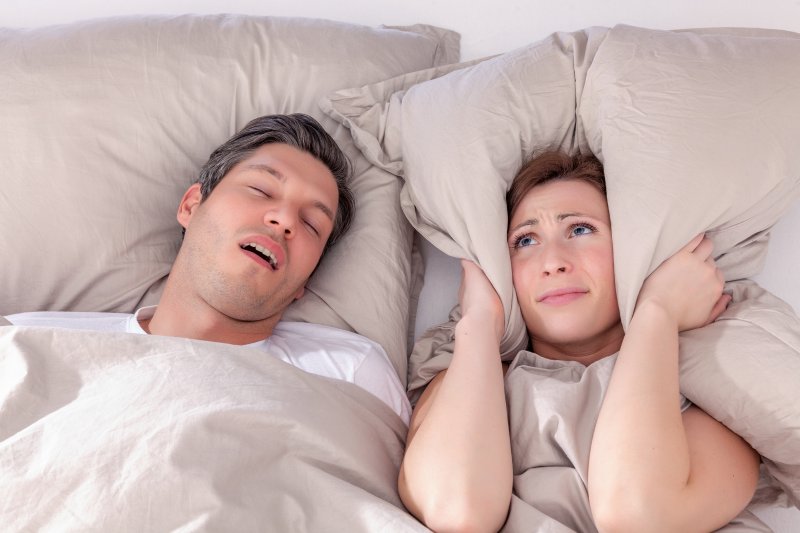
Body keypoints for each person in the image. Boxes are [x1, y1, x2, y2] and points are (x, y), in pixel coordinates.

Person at [398, 151, 760, 531]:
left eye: (580, 229)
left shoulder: (708, 391)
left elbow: (638, 517)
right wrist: (479, 320)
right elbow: (455, 511)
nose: (553, 260)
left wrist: (657, 311)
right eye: (525, 240)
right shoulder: (467, 378)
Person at [8, 113, 410, 424]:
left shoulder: (348, 374)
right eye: (261, 189)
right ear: (191, 205)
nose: (284, 219)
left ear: (303, 283)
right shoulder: (27, 342)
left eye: (311, 225)